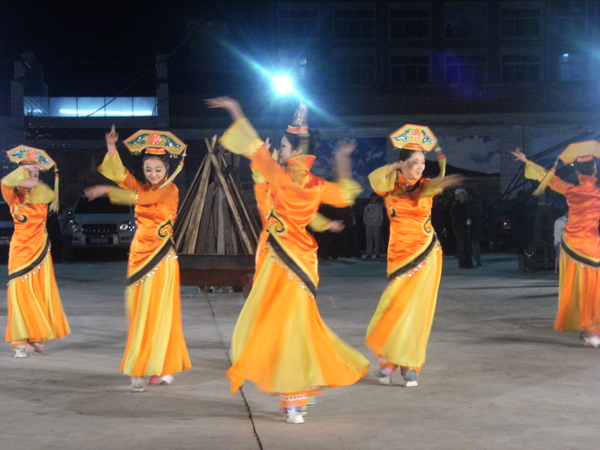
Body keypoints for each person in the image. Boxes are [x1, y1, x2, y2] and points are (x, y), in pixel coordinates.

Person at [206, 97, 369, 425]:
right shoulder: (315, 185)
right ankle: (295, 398)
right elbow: (345, 195)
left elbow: (253, 146)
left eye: (282, 145)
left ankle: (293, 398)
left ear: (294, 151)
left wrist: (235, 109)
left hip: (279, 262)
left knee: (279, 325)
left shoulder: (278, 175)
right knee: (296, 325)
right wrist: (341, 158)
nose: (279, 149)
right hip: (303, 263)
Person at [84, 126, 191, 391]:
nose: (153, 174)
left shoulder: (170, 190)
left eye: (158, 169)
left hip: (161, 258)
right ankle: (142, 365)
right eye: (148, 169)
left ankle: (162, 367)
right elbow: (121, 176)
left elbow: (143, 198)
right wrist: (111, 146)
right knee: (138, 313)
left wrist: (105, 191)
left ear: (167, 169)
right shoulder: (141, 186)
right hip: (139, 256)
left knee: (160, 313)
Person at [365, 125, 462, 387]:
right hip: (399, 254)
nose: (419, 167)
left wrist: (445, 181)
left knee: (417, 311)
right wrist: (396, 166)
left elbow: (434, 186)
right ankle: (388, 360)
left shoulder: (425, 186)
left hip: (425, 253)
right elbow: (374, 178)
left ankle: (411, 364)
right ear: (402, 163)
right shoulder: (389, 186)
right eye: (414, 162)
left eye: (423, 162)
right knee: (395, 308)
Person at [512, 144, 600, 347]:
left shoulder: (571, 190)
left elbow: (548, 178)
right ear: (594, 171)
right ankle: (594, 328)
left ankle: (589, 328)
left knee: (577, 289)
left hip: (572, 246)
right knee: (594, 289)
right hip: (593, 247)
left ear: (577, 172)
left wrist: (526, 161)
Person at [2, 145, 70, 357]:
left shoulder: (42, 195)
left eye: (35, 173)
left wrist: (36, 180)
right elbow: (5, 182)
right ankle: (19, 341)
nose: (32, 177)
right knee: (20, 295)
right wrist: (26, 171)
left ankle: (35, 335)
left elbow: (49, 194)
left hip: (40, 251)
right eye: (27, 173)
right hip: (20, 253)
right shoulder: (13, 196)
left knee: (38, 294)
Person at [452, 188, 474, 269]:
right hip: (460, 229)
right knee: (461, 247)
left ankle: (469, 263)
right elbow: (456, 218)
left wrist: (469, 219)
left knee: (467, 246)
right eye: (461, 194)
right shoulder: (456, 206)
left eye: (463, 194)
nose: (463, 196)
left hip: (466, 228)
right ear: (457, 196)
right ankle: (462, 263)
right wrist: (464, 221)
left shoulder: (466, 205)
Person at [363, 192, 384, 258]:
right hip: (369, 225)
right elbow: (365, 215)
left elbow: (381, 215)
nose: (375, 199)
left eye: (376, 197)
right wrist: (366, 223)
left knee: (377, 239)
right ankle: (369, 253)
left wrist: (380, 223)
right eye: (374, 197)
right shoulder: (367, 206)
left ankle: (377, 253)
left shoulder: (378, 206)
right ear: (371, 198)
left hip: (376, 224)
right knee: (369, 239)